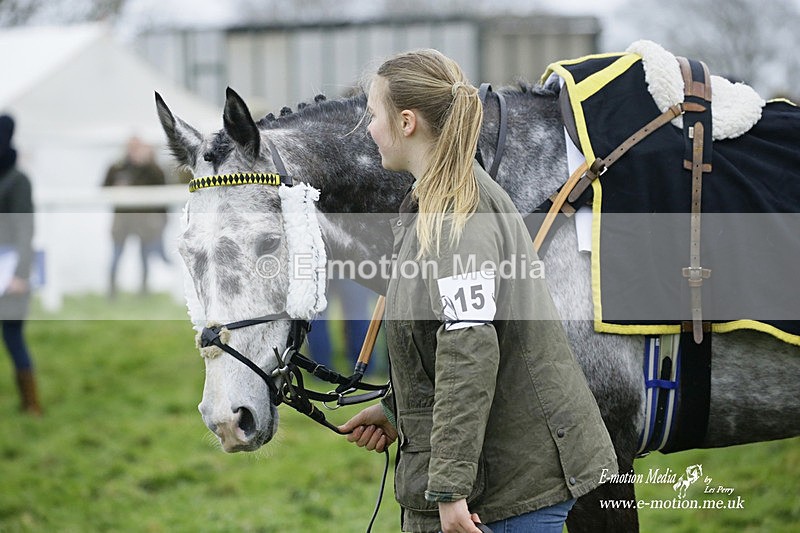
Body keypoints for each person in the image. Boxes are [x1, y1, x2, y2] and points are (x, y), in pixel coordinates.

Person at [339, 50, 618, 533]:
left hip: (505, 497)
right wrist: (395, 410)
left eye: (373, 114)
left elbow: (469, 349)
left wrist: (449, 491)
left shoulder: (456, 214)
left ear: (407, 122)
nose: (368, 129)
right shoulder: (438, 201)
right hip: (499, 482)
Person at [0, 114, 42, 416]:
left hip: (10, 273)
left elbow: (25, 230)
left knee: (13, 336)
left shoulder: (18, 180)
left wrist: (19, 275)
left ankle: (31, 404)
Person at [103, 136, 168, 297]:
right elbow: (103, 188)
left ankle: (144, 292)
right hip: (122, 222)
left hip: (144, 223)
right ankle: (111, 292)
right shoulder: (116, 168)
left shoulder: (152, 169)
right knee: (116, 257)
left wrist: (148, 163)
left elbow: (163, 187)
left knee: (144, 259)